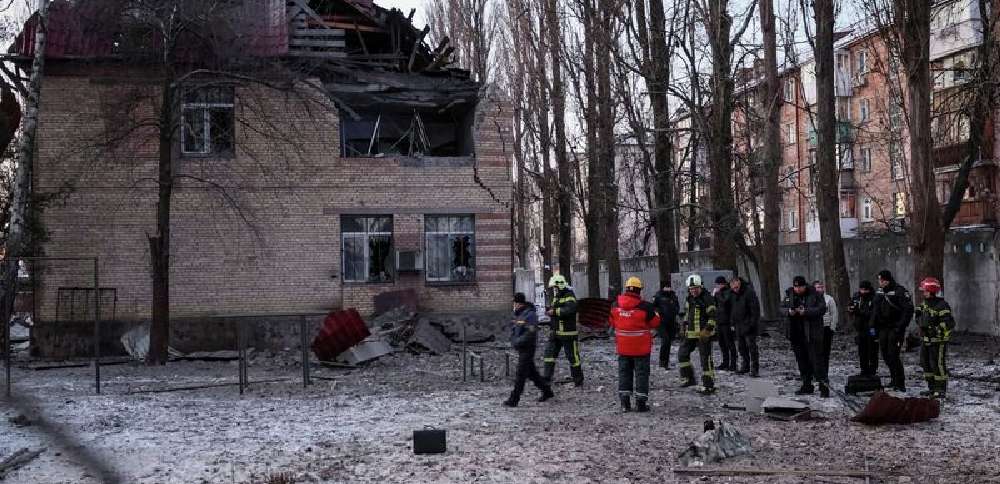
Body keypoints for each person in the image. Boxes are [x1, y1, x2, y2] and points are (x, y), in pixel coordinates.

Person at [609, 277, 661, 412]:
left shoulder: (615, 305)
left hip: (623, 348)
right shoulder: (646, 307)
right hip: (641, 349)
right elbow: (655, 323)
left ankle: (625, 404)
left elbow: (612, 322)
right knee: (641, 374)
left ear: (626, 289)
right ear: (639, 291)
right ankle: (640, 404)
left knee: (624, 373)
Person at [504, 293, 555, 407]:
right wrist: (513, 340)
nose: (513, 305)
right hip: (521, 348)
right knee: (532, 374)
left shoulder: (530, 315)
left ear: (519, 303)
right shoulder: (519, 314)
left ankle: (514, 399)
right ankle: (547, 391)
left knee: (520, 374)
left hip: (528, 348)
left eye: (514, 303)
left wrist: (517, 342)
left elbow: (530, 333)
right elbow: (514, 329)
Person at [782, 276, 829, 397]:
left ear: (805, 286)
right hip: (796, 334)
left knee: (817, 362)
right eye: (795, 286)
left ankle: (824, 387)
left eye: (800, 287)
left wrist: (806, 311)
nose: (797, 289)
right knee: (802, 362)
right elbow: (781, 308)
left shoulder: (815, 294)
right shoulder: (789, 294)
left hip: (812, 334)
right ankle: (807, 385)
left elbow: (822, 308)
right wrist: (789, 312)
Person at [871, 270, 914, 392]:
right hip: (883, 328)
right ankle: (893, 379)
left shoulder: (899, 291)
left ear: (887, 280)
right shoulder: (879, 292)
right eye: (879, 280)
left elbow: (908, 310)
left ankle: (900, 382)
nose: (880, 283)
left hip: (895, 328)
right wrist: (872, 326)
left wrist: (900, 326)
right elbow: (875, 310)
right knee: (885, 354)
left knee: (893, 354)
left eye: (882, 280)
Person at [914, 277, 954, 398]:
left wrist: (934, 329)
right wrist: (921, 323)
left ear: (931, 291)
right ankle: (931, 388)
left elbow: (948, 323)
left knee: (938, 364)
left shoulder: (942, 305)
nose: (923, 293)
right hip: (926, 340)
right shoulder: (924, 304)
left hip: (938, 341)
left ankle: (940, 389)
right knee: (926, 363)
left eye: (925, 290)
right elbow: (918, 315)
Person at [678, 274, 718, 394]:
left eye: (695, 288)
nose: (693, 291)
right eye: (691, 289)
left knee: (705, 360)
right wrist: (683, 326)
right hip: (690, 334)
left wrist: (707, 330)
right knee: (682, 354)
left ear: (701, 287)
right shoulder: (689, 298)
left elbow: (713, 316)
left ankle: (709, 385)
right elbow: (687, 313)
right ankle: (689, 378)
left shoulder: (707, 298)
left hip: (703, 335)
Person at [542, 274, 584, 386]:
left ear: (560, 285)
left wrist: (554, 312)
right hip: (555, 332)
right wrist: (550, 311)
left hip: (567, 333)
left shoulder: (569, 295)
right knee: (549, 355)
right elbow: (556, 309)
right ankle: (546, 378)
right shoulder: (558, 296)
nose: (554, 290)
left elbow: (570, 309)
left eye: (555, 287)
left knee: (572, 357)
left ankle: (578, 379)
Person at [728, 277, 761, 377]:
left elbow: (755, 309)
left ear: (739, 283)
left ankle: (754, 368)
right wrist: (732, 322)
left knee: (751, 347)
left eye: (736, 287)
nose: (735, 289)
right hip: (738, 324)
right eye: (733, 288)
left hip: (748, 324)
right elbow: (732, 308)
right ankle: (745, 366)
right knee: (741, 347)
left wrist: (752, 324)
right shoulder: (733, 294)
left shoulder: (749, 292)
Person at [848, 281, 879, 377]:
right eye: (861, 289)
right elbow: (851, 305)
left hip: (871, 327)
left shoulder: (874, 298)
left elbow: (872, 313)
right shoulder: (857, 296)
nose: (863, 291)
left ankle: (872, 370)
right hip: (860, 327)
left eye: (865, 290)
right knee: (862, 350)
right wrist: (851, 309)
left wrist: (859, 312)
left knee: (872, 350)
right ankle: (863, 370)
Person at [653, 282, 680, 369]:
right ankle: (662, 361)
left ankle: (665, 363)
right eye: (666, 287)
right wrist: (658, 313)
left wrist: (675, 311)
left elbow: (677, 307)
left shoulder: (673, 296)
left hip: (671, 322)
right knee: (665, 340)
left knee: (668, 342)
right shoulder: (658, 296)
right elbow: (653, 307)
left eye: (669, 287)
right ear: (663, 288)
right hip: (661, 322)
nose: (668, 289)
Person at [813, 281, 838, 378]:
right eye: (817, 287)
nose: (819, 289)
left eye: (820, 287)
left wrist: (832, 328)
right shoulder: (812, 299)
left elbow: (834, 314)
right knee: (815, 353)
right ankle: (816, 374)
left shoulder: (829, 299)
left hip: (826, 328)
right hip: (815, 330)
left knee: (825, 353)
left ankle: (824, 374)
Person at [713, 276, 737, 372]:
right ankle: (725, 362)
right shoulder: (719, 293)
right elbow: (715, 305)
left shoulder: (728, 292)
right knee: (722, 343)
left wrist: (717, 294)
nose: (717, 286)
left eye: (718, 284)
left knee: (730, 343)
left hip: (727, 321)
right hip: (719, 321)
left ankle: (733, 363)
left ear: (722, 284)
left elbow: (725, 302)